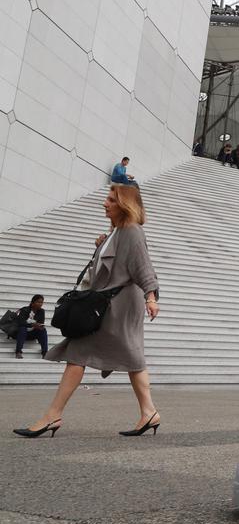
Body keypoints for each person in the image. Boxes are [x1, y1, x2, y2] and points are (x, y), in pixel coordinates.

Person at [14, 184, 161, 438]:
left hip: (118, 306)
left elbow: (143, 267)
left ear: (124, 205)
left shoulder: (132, 231)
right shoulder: (116, 232)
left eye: (111, 200)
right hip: (108, 304)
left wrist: (151, 296)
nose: (105, 203)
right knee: (130, 357)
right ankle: (149, 412)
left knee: (81, 353)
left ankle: (53, 415)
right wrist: (101, 246)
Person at [14, 295, 49, 359]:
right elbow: (21, 323)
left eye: (41, 302)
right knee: (22, 328)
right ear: (32, 303)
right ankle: (18, 352)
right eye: (38, 302)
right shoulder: (25, 310)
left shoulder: (41, 311)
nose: (40, 304)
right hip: (21, 333)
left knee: (43, 330)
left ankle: (45, 353)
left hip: (32, 333)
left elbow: (41, 322)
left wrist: (39, 326)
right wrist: (32, 325)